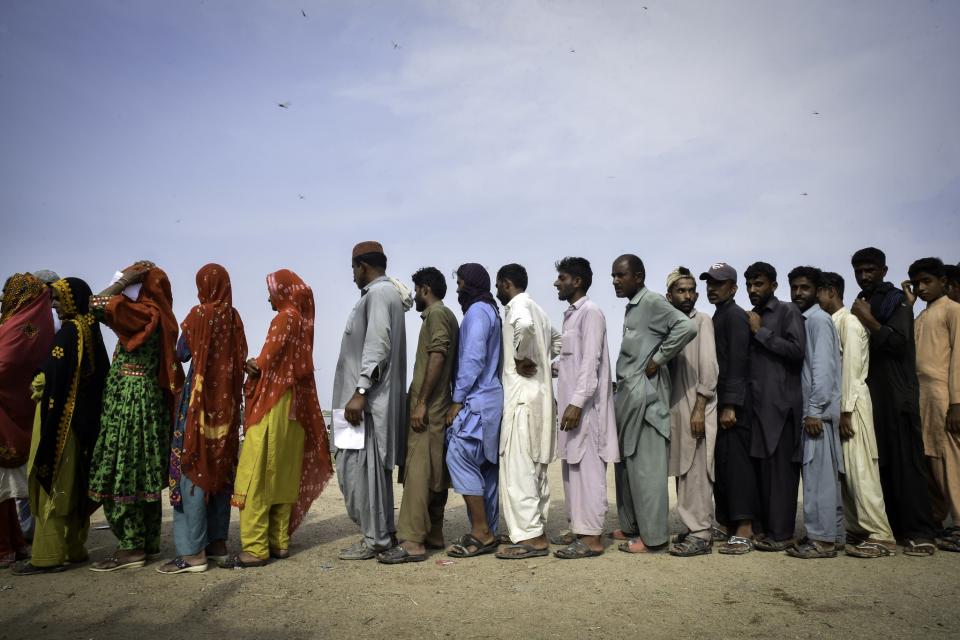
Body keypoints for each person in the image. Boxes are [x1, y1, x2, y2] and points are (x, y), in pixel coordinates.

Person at [226, 269, 333, 568]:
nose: (268, 297)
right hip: (294, 408)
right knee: (283, 474)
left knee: (256, 475)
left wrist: (251, 365)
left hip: (274, 403)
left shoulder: (285, 317)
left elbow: (266, 361)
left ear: (283, 293)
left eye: (272, 291)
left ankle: (256, 548)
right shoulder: (301, 321)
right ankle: (279, 542)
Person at [87, 261, 184, 571]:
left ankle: (131, 548)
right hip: (147, 402)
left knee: (121, 467)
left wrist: (121, 282)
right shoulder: (162, 316)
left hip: (131, 404)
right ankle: (145, 541)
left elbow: (96, 304)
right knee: (142, 471)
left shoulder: (144, 313)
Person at [13, 278, 108, 575]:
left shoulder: (69, 332)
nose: (53, 304)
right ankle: (74, 547)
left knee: (51, 483)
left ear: (71, 299)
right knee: (74, 483)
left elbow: (50, 374)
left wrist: (36, 382)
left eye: (57, 298)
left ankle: (47, 556)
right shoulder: (89, 330)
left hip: (60, 423)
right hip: (82, 425)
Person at [158, 264, 248, 574]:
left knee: (192, 468)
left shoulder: (198, 315)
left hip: (198, 406)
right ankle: (218, 545)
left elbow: (182, 353)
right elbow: (239, 357)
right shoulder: (235, 318)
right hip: (226, 408)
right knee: (220, 469)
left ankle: (193, 553)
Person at [850, 247, 938, 556]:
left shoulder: (894, 301)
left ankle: (920, 532)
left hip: (898, 394)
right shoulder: (865, 301)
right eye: (859, 270)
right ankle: (894, 528)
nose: (864, 275)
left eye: (870, 269)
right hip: (874, 395)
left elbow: (899, 342)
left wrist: (867, 319)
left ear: (884, 270)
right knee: (883, 463)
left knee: (906, 463)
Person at [611, 255, 696, 553]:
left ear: (639, 275)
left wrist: (658, 360)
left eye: (621, 275)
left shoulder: (653, 303)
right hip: (630, 398)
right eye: (614, 276)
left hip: (647, 401)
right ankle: (634, 527)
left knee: (647, 471)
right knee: (630, 467)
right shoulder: (634, 307)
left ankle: (655, 539)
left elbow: (686, 328)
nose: (616, 281)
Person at [334, 242, 410, 560]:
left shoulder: (379, 295)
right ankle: (381, 532)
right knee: (364, 471)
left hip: (364, 405)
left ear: (362, 266)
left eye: (353, 268)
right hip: (359, 403)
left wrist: (361, 392)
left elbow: (377, 345)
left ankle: (376, 539)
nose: (352, 275)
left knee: (360, 471)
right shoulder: (380, 295)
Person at [378, 267, 458, 564]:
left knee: (418, 475)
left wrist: (421, 402)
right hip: (437, 408)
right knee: (434, 473)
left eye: (416, 290)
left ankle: (412, 542)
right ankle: (434, 533)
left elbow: (437, 355)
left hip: (428, 410)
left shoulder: (437, 315)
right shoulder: (445, 315)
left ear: (425, 289)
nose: (414, 296)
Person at [817, 271, 896, 558]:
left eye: (817, 292)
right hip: (839, 406)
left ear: (830, 291)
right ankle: (858, 530)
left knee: (861, 471)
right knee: (846, 473)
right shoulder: (832, 322)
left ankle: (881, 535)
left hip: (852, 406)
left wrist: (847, 411)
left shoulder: (849, 322)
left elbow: (851, 368)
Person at [551, 257, 619, 560]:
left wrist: (577, 403)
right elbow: (570, 360)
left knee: (589, 471)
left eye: (562, 277)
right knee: (572, 471)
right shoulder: (571, 316)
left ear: (577, 281)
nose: (556, 282)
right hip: (570, 411)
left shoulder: (591, 313)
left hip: (587, 411)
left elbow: (590, 363)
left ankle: (592, 538)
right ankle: (581, 530)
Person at [493, 263, 561, 559]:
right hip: (542, 399)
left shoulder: (518, 307)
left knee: (519, 471)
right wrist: (545, 364)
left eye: (498, 285)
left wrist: (522, 356)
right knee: (536, 471)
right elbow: (558, 342)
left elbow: (524, 327)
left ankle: (532, 537)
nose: (496, 291)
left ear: (506, 284)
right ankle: (535, 528)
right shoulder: (540, 309)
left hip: (522, 401)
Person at [744, 261, 805, 552]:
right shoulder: (751, 316)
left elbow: (796, 352)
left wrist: (761, 333)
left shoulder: (787, 311)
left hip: (782, 408)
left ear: (773, 286)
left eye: (759, 284)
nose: (753, 290)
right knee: (763, 474)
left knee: (781, 475)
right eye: (750, 285)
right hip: (757, 408)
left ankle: (782, 535)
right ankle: (766, 530)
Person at [700, 262, 760, 555]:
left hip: (735, 406)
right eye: (709, 283)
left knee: (738, 466)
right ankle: (725, 523)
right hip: (721, 403)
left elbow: (738, 362)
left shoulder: (735, 316)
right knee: (723, 464)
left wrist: (731, 405)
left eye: (719, 283)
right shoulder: (719, 315)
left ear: (733, 288)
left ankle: (745, 527)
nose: (712, 288)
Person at [785, 266, 843, 559]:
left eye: (805, 288)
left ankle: (822, 542)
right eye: (794, 287)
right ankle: (830, 536)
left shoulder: (818, 321)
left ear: (819, 291)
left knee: (818, 478)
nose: (798, 293)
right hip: (814, 413)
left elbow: (823, 370)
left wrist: (814, 411)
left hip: (816, 415)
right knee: (822, 477)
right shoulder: (808, 320)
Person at [445, 264, 503, 558]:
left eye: (460, 283)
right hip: (491, 401)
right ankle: (488, 531)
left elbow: (473, 358)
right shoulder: (492, 311)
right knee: (486, 469)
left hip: (476, 401)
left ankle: (481, 531)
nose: (457, 289)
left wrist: (457, 399)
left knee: (458, 455)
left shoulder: (478, 312)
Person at [0, 273, 55, 568]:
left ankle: (6, 547)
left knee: (3, 487)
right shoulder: (39, 323)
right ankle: (16, 545)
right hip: (26, 410)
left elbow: (5, 363)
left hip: (5, 414)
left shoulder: (18, 325)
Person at [664, 267, 718, 557]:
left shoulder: (703, 322)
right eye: (681, 291)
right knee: (683, 471)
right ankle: (692, 525)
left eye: (691, 290)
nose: (687, 296)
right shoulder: (670, 323)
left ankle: (701, 533)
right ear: (669, 295)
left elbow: (709, 369)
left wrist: (700, 408)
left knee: (697, 471)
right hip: (676, 408)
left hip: (697, 408)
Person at [908, 257, 960, 552]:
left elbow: (958, 361)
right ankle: (938, 519)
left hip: (944, 395)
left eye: (927, 281)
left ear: (944, 282)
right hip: (922, 396)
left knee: (950, 460)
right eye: (917, 283)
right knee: (930, 461)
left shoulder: (954, 311)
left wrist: (957, 402)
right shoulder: (920, 316)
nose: (922, 287)